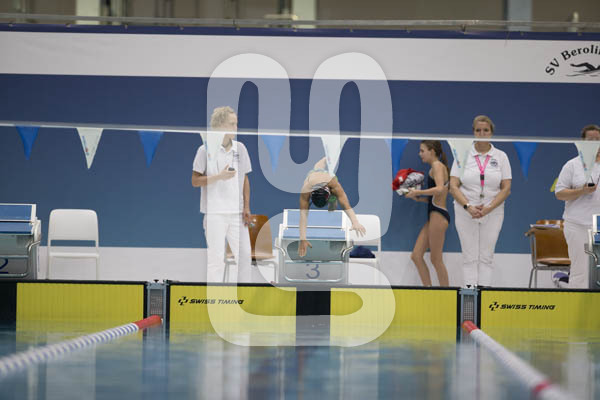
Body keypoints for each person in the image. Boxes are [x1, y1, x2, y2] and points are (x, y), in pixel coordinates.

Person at [449, 115, 512, 288]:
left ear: (491, 133)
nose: (482, 134)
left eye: (485, 130)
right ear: (473, 132)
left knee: (486, 255)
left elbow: (506, 188)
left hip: (493, 211)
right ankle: (470, 292)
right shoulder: (463, 155)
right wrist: (468, 206)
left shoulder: (501, 156)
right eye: (478, 130)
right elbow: (453, 186)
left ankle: (484, 291)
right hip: (465, 211)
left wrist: (489, 208)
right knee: (469, 256)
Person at [192, 106, 252, 283]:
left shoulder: (240, 148)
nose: (236, 128)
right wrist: (219, 177)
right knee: (216, 260)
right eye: (232, 124)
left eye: (236, 124)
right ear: (220, 126)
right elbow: (195, 181)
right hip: (214, 214)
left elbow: (245, 179)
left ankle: (244, 294)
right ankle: (214, 295)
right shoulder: (204, 150)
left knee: (245, 256)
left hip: (237, 214)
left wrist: (246, 206)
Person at [555, 124, 600, 289]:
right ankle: (576, 301)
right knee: (580, 270)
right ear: (582, 142)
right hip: (577, 224)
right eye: (590, 140)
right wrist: (582, 191)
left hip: (599, 224)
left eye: (597, 140)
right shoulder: (572, 165)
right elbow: (560, 193)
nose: (594, 143)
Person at [298, 157, 366, 257]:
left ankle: (328, 157)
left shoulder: (333, 183)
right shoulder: (306, 189)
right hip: (313, 175)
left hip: (327, 180)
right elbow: (303, 216)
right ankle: (327, 157)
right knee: (317, 167)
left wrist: (355, 222)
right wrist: (302, 238)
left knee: (333, 207)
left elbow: (346, 206)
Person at [405, 140, 450, 286]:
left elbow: (439, 189)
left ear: (432, 151)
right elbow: (436, 196)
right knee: (416, 255)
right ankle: (429, 291)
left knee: (436, 259)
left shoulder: (437, 166)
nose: (420, 154)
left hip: (438, 215)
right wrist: (419, 198)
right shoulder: (436, 166)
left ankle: (447, 294)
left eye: (422, 151)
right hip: (434, 215)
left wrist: (418, 192)